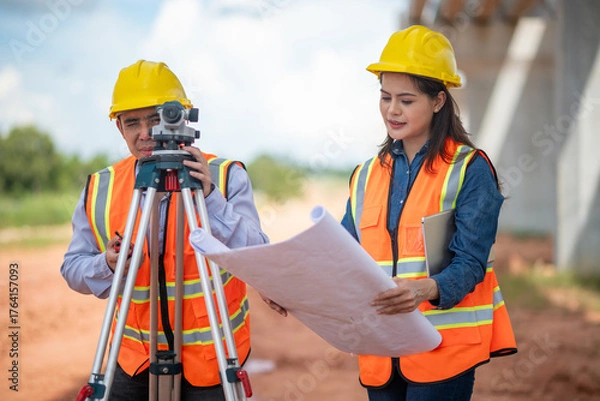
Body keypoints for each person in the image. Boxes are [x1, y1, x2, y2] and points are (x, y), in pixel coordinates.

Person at [60, 60, 268, 401]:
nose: (146, 133)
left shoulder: (226, 176)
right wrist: (108, 264)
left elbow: (258, 256)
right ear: (119, 127)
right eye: (132, 123)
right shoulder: (102, 187)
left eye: (157, 119)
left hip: (213, 358)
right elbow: (72, 268)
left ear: (182, 118)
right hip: (131, 360)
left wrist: (211, 198)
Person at [340, 26, 518, 401]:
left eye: (406, 100)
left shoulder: (469, 169)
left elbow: (472, 262)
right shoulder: (366, 174)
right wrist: (294, 286)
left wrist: (426, 288)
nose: (392, 110)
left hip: (443, 350)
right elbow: (341, 255)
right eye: (385, 97)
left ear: (438, 101)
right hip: (382, 349)